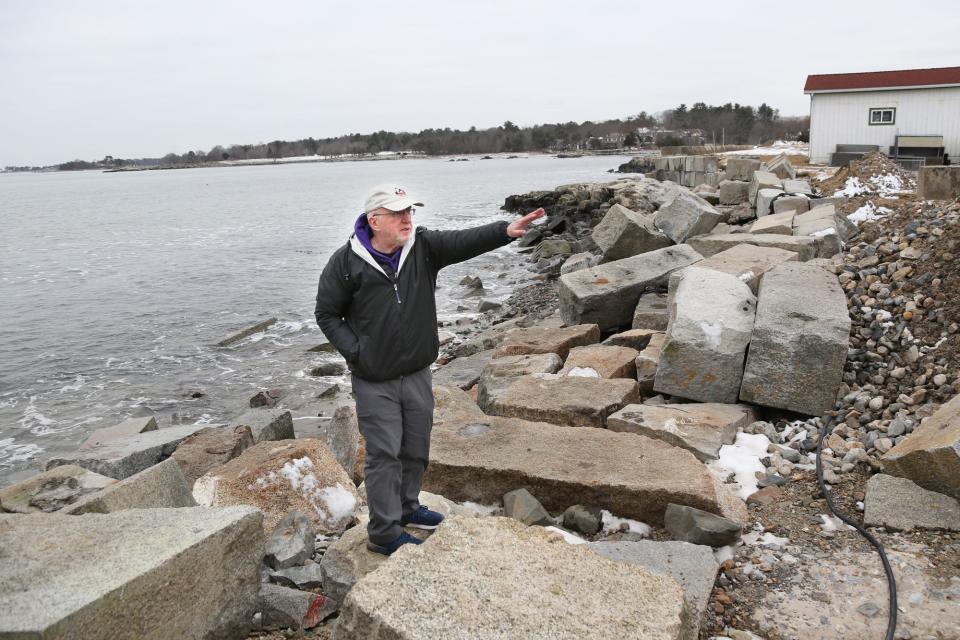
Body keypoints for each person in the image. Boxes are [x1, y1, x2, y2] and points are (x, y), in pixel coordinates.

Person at [314, 184, 543, 555]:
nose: (408, 219)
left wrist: (504, 231)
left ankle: (407, 507)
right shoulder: (346, 263)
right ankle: (384, 532)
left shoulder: (421, 248)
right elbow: (326, 313)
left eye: (410, 212)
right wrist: (357, 352)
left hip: (418, 371)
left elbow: (462, 242)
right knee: (384, 454)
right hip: (375, 379)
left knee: (416, 446)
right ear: (374, 220)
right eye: (398, 213)